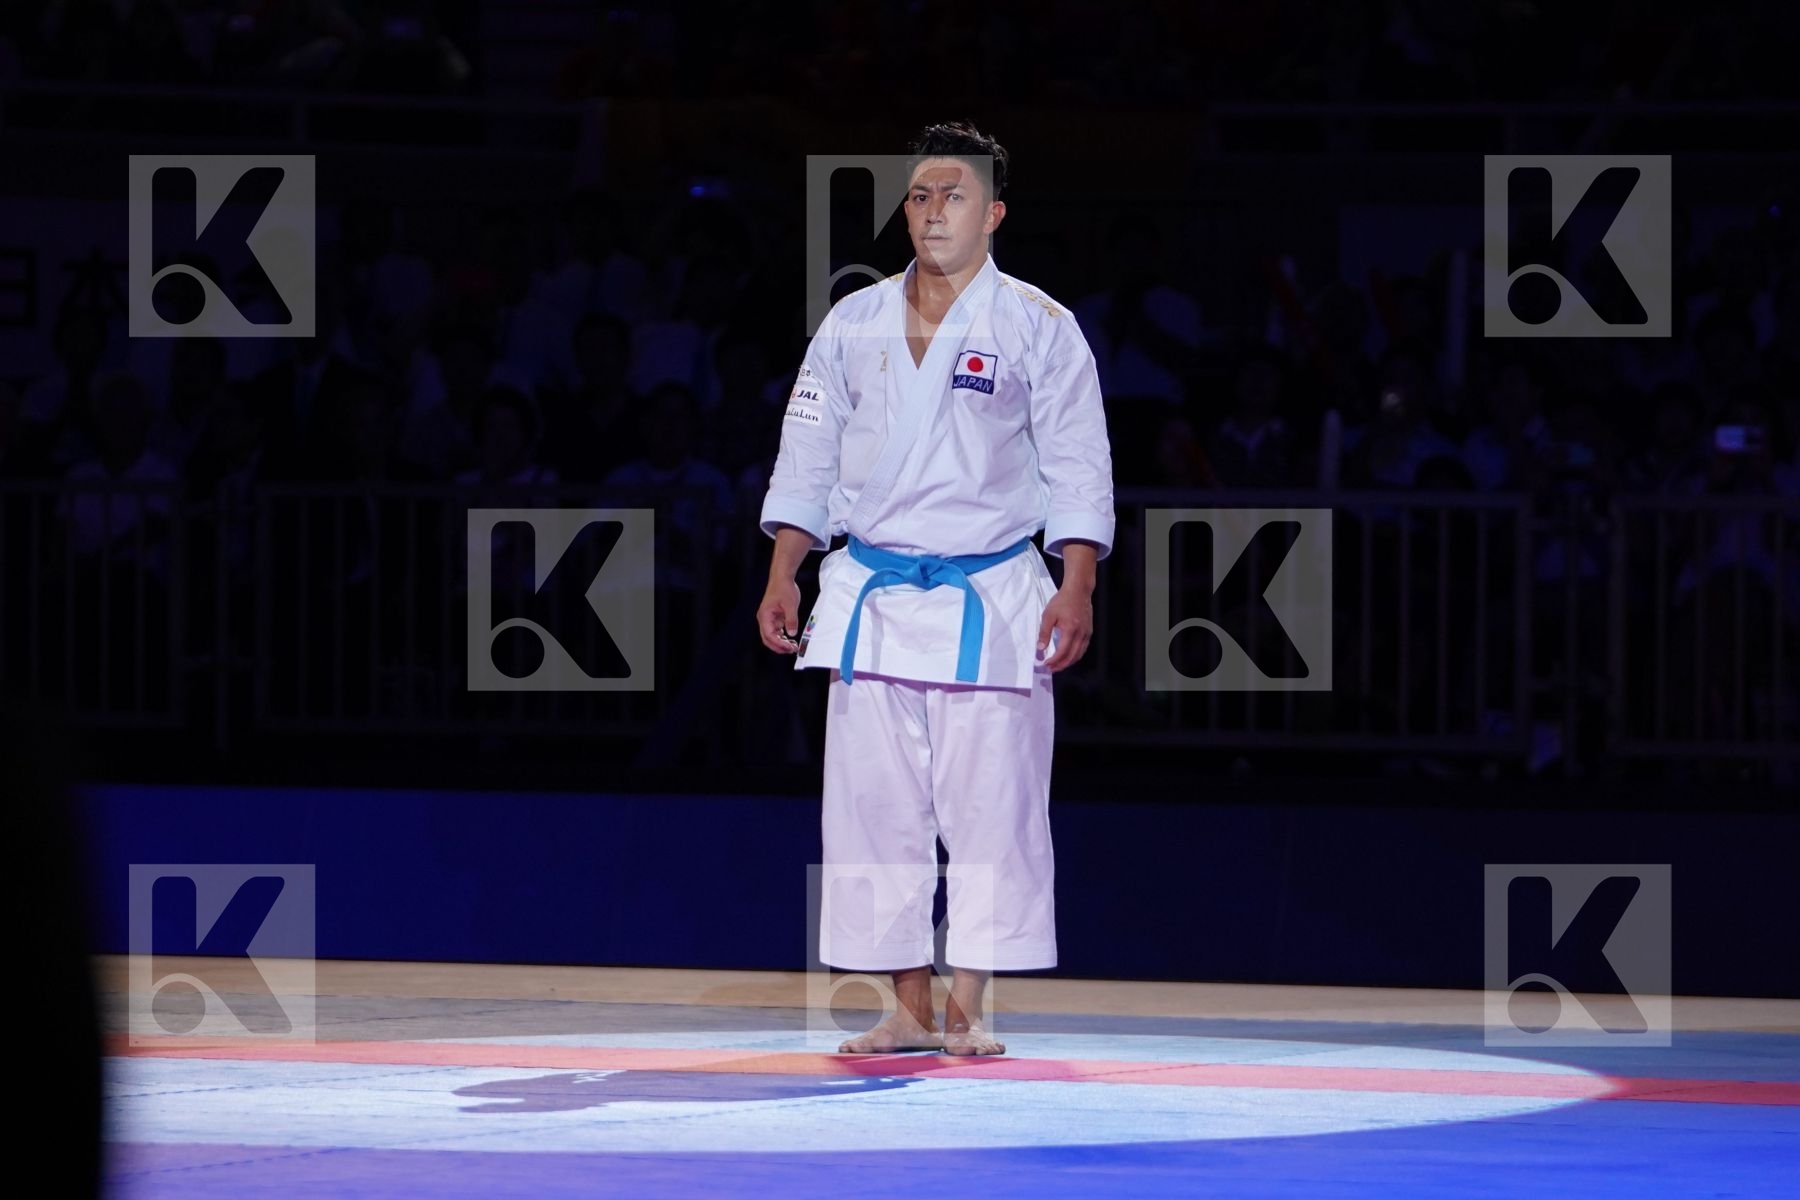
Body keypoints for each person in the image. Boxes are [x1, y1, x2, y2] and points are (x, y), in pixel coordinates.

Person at [756, 122, 1115, 1057]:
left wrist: (1074, 586)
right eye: (919, 196)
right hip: (870, 597)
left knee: (991, 811)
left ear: (994, 213)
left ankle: (969, 1010)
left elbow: (1080, 468)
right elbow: (809, 457)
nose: (932, 211)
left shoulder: (1039, 326)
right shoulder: (853, 320)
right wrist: (783, 571)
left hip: (990, 598)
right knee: (875, 815)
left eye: (953, 195)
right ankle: (907, 1009)